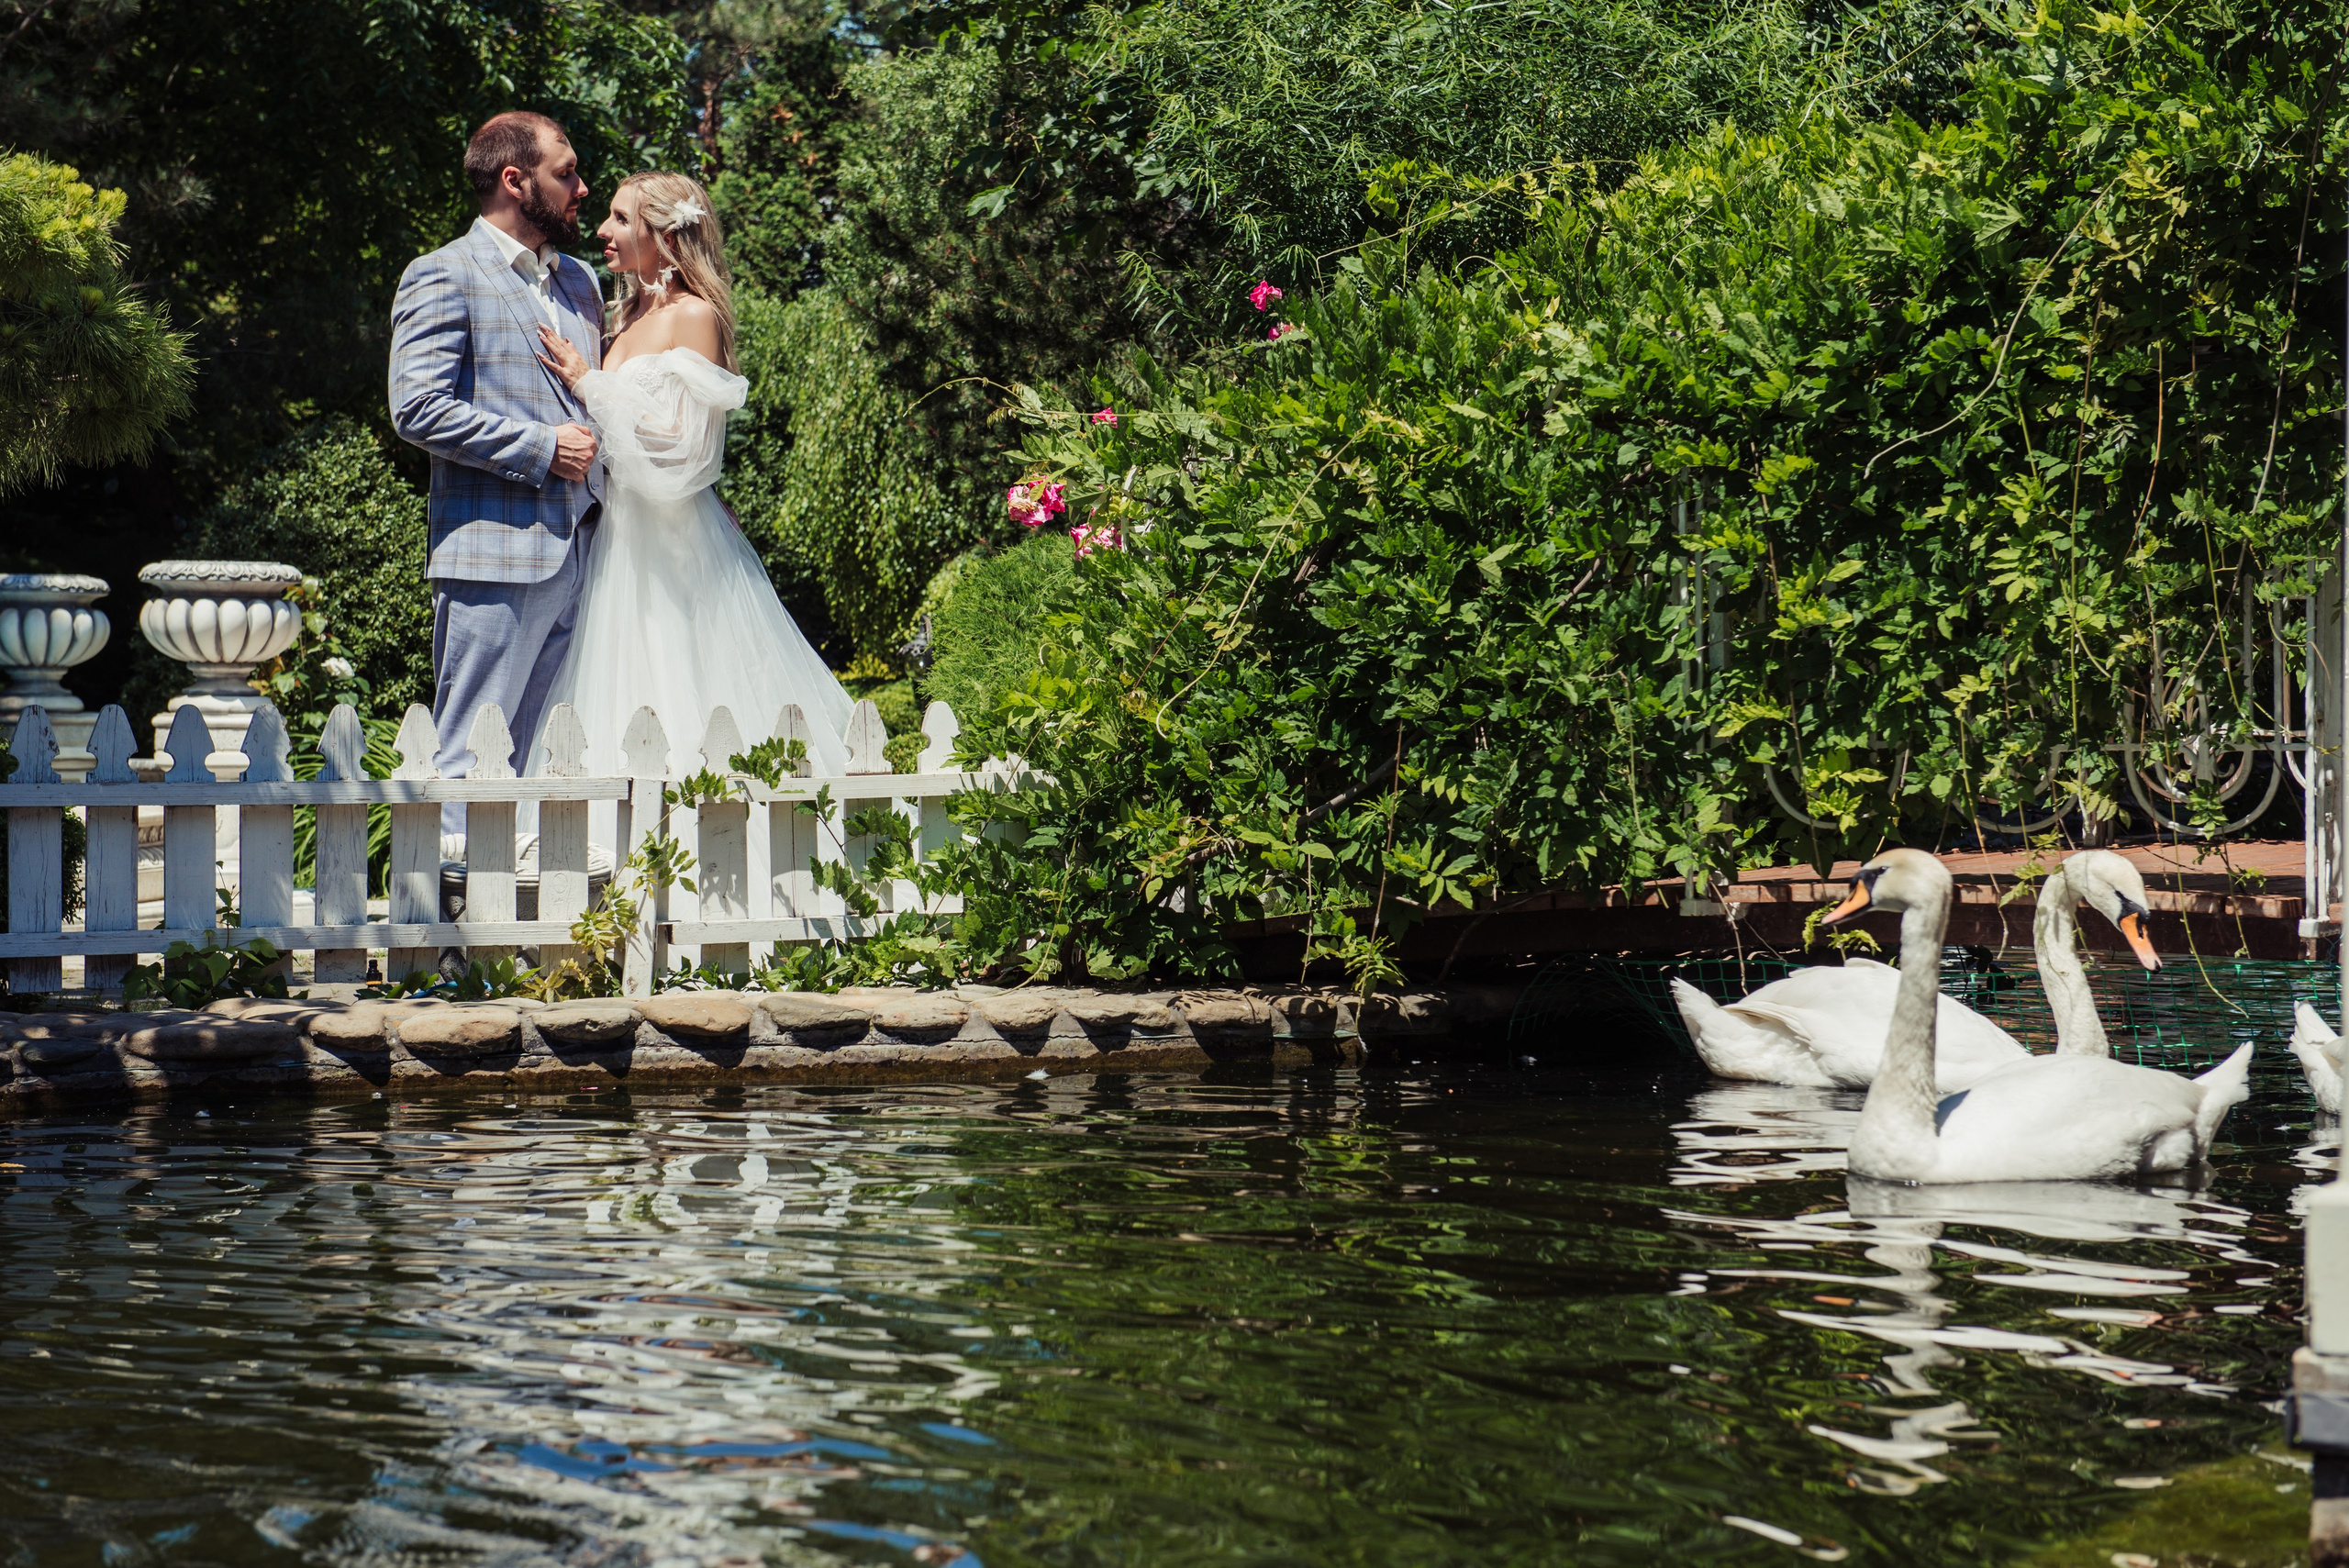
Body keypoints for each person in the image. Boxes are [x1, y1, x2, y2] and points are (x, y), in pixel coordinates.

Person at [529, 170, 852, 797]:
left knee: (685, 683)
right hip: (618, 536)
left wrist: (587, 383)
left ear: (667, 238)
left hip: (677, 544)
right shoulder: (620, 316)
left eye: (621, 219)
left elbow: (690, 454)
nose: (603, 230)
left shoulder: (694, 316)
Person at [388, 111, 604, 843]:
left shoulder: (580, 283)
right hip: (494, 556)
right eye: (566, 172)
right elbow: (416, 408)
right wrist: (541, 447)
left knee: (555, 755)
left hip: (589, 555)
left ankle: (527, 940)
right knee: (470, 751)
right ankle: (453, 947)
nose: (582, 187)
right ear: (516, 180)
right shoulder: (441, 273)